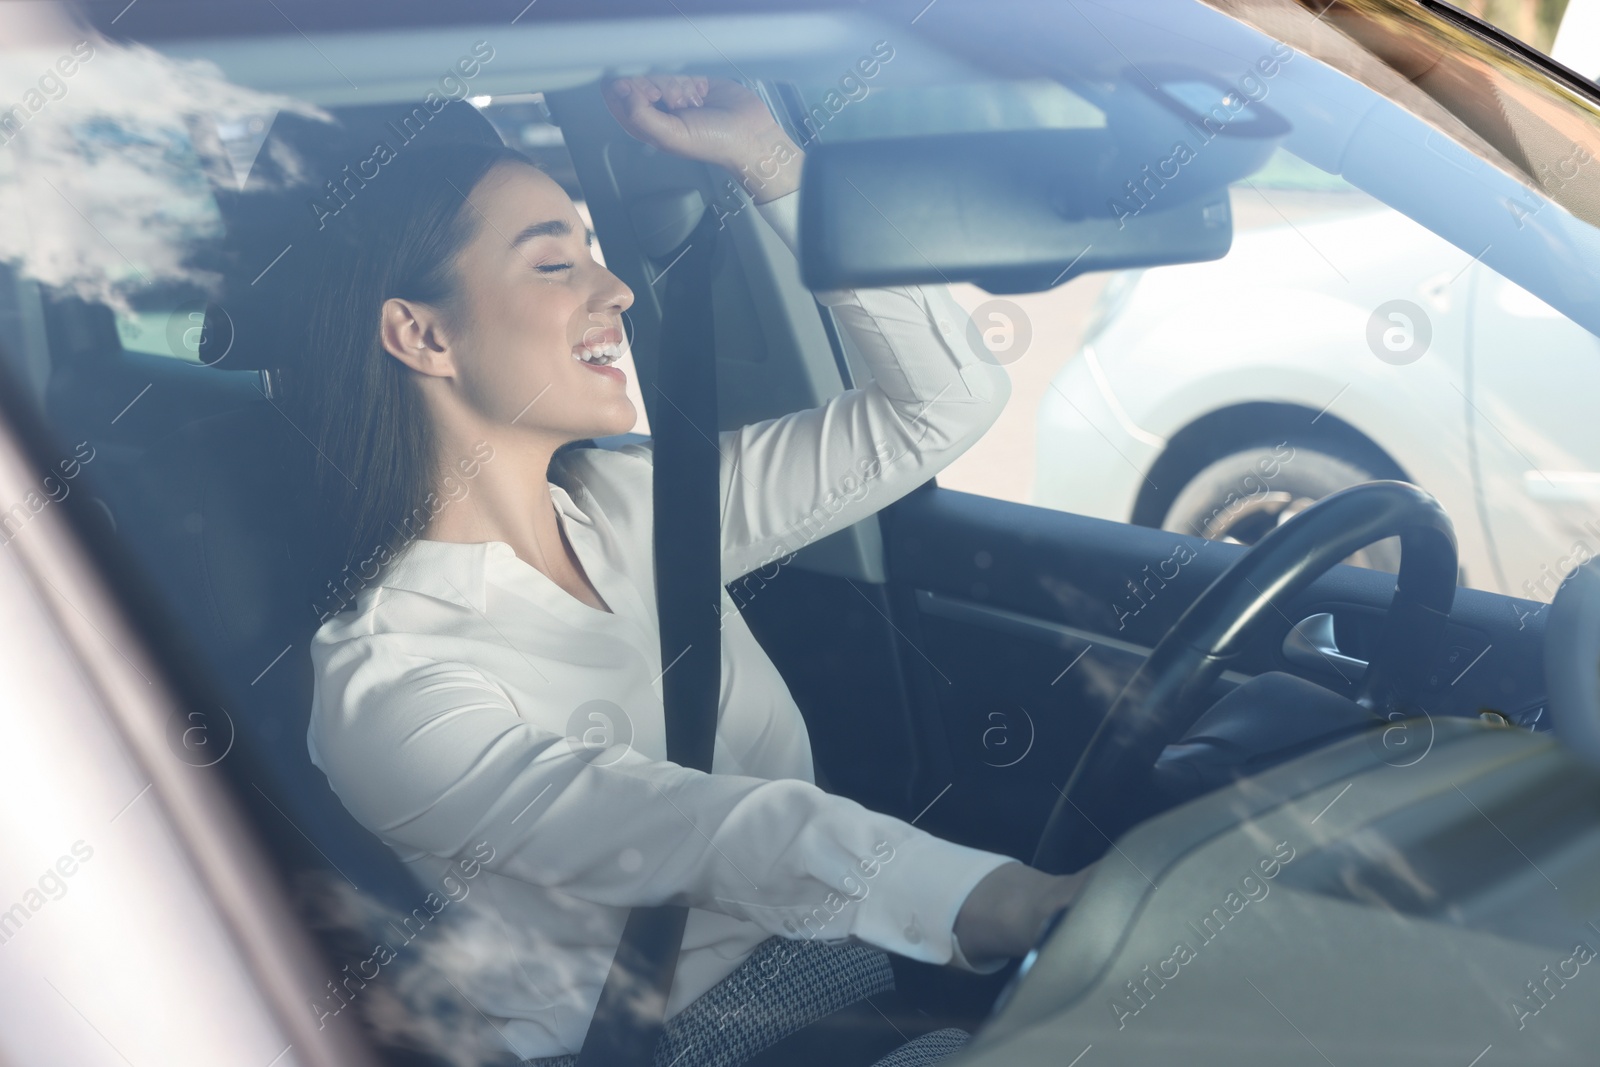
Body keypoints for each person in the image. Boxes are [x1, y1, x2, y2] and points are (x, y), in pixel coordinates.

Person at [299, 74, 1087, 1067]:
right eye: (555, 263)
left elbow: (942, 403)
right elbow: (708, 829)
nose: (613, 290)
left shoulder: (638, 505)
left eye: (594, 247)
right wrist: (1014, 900)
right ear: (423, 333)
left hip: (856, 992)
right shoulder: (391, 686)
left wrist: (770, 162)